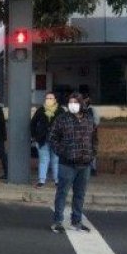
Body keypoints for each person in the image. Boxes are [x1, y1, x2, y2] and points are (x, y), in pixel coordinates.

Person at [49, 92, 97, 233]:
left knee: (80, 194)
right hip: (67, 164)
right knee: (62, 193)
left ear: (81, 104)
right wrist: (62, 151)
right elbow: (52, 138)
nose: (72, 105)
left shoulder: (89, 119)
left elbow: (95, 139)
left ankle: (76, 221)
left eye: (75, 102)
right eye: (70, 102)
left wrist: (92, 154)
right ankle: (57, 221)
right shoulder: (62, 119)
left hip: (85, 164)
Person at [30, 92, 62, 188]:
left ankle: (57, 180)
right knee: (44, 160)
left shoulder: (60, 111)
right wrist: (34, 136)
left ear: (55, 100)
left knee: (55, 160)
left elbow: (65, 125)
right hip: (42, 139)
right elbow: (32, 124)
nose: (48, 100)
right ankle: (42, 180)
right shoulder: (40, 110)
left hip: (56, 140)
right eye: (47, 98)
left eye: (51, 98)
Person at [82, 93, 100, 176]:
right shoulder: (82, 109)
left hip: (90, 134)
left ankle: (93, 168)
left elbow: (96, 122)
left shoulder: (91, 110)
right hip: (84, 134)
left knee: (91, 151)